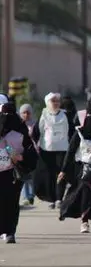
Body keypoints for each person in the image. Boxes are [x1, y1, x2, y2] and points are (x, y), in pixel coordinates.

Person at [58, 100, 91, 233]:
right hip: (84, 168)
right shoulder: (79, 133)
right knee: (85, 193)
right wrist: (63, 170)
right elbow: (70, 151)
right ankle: (84, 221)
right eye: (90, 115)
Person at [0, 98, 38, 243]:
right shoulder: (20, 127)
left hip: (13, 171)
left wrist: (21, 157)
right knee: (10, 203)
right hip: (11, 173)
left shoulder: (20, 129)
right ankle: (8, 231)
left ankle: (9, 232)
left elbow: (30, 152)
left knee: (10, 202)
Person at [33, 93, 71, 209]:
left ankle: (59, 198)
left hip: (63, 149)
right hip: (46, 150)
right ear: (47, 103)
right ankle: (52, 198)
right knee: (49, 175)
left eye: (57, 101)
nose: (55, 103)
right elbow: (36, 132)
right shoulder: (43, 115)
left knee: (61, 174)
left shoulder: (65, 115)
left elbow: (72, 131)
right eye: (52, 101)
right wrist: (37, 144)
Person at [17, 103, 37, 206]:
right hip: (22, 152)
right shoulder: (18, 125)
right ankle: (26, 196)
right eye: (24, 113)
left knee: (31, 176)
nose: (26, 115)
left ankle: (31, 195)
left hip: (33, 152)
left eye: (28, 113)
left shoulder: (35, 124)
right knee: (23, 176)